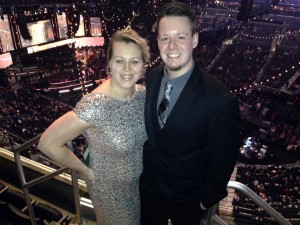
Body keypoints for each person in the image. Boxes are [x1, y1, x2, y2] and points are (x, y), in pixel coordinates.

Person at [140, 2, 241, 225]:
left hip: (187, 204)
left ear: (194, 40)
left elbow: (223, 161)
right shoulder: (153, 76)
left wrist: (204, 202)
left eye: (181, 37)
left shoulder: (220, 100)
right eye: (165, 38)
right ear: (157, 41)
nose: (172, 45)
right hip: (149, 194)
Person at [38, 28, 150, 225]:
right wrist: (85, 170)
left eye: (134, 61)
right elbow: (47, 143)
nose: (127, 69)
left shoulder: (143, 94)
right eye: (119, 61)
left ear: (143, 66)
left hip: (139, 184)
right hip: (110, 191)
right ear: (109, 64)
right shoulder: (95, 105)